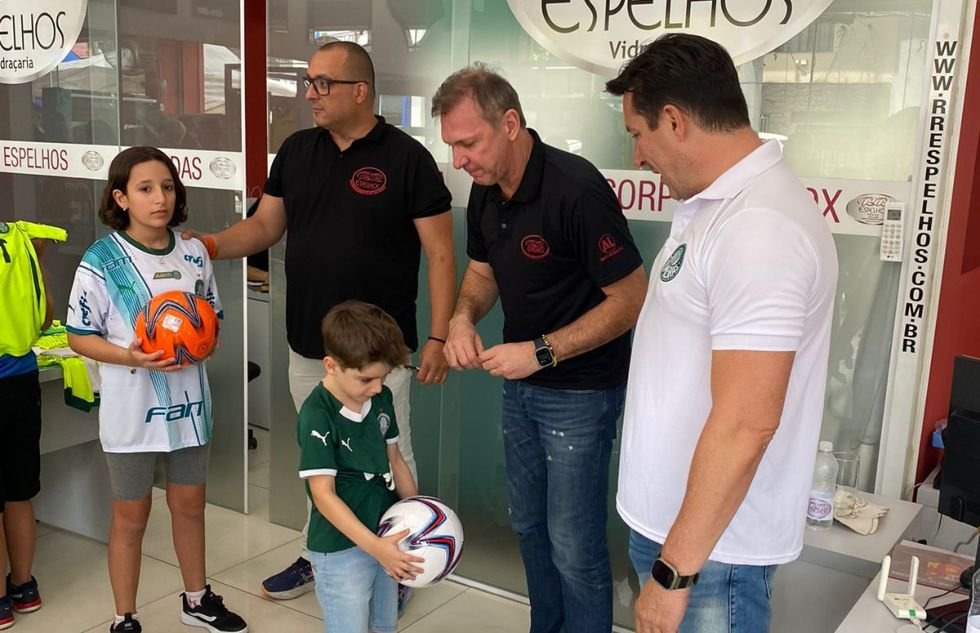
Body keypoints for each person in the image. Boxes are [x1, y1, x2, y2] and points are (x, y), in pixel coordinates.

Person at [186, 40, 455, 601]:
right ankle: (318, 554)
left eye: (322, 83)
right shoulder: (296, 150)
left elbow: (440, 253)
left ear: (360, 91)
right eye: (309, 82)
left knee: (388, 459)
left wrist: (438, 336)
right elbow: (264, 228)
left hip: (380, 354)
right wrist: (207, 245)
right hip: (310, 346)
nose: (310, 93)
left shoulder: (407, 158)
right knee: (321, 463)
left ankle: (398, 564)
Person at [605, 34, 838, 633]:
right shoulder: (718, 208)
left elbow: (746, 423)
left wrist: (673, 575)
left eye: (638, 133)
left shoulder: (759, 228)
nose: (638, 157)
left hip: (710, 557)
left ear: (675, 121)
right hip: (678, 533)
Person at [433, 65, 647, 633]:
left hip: (580, 393)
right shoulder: (486, 190)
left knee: (573, 545)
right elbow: (482, 274)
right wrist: (461, 319)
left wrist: (541, 352)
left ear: (510, 124)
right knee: (528, 527)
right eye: (452, 146)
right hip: (521, 388)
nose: (459, 160)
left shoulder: (576, 189)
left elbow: (631, 299)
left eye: (468, 143)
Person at [66, 146, 248, 633]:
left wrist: (203, 344)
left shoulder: (193, 252)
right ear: (121, 198)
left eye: (167, 187)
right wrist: (130, 356)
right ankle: (124, 617)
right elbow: (78, 335)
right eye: (145, 189)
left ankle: (197, 600)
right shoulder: (102, 259)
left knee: (190, 506)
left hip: (190, 405)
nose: (160, 198)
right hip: (131, 410)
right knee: (132, 514)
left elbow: (212, 319)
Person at [298, 300, 424, 633]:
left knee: (384, 624)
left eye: (383, 377)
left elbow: (395, 460)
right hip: (340, 549)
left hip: (384, 533)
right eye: (366, 379)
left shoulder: (380, 398)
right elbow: (323, 496)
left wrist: (419, 513)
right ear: (331, 365)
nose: (377, 387)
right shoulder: (317, 415)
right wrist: (375, 547)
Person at [0, 221, 65, 630]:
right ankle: (24, 587)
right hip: (22, 383)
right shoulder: (19, 239)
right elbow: (44, 318)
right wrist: (37, 261)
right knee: (18, 492)